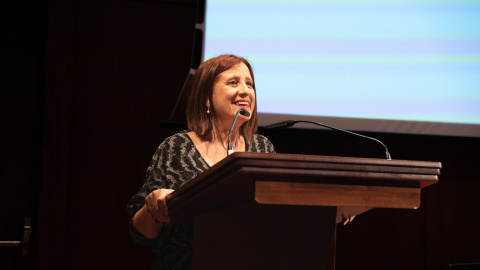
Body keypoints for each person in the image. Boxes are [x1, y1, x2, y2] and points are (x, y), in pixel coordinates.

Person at [127, 54, 276, 270]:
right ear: (207, 97)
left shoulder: (262, 148)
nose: (245, 90)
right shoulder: (176, 148)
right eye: (233, 82)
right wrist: (153, 209)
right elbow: (140, 234)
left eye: (249, 83)